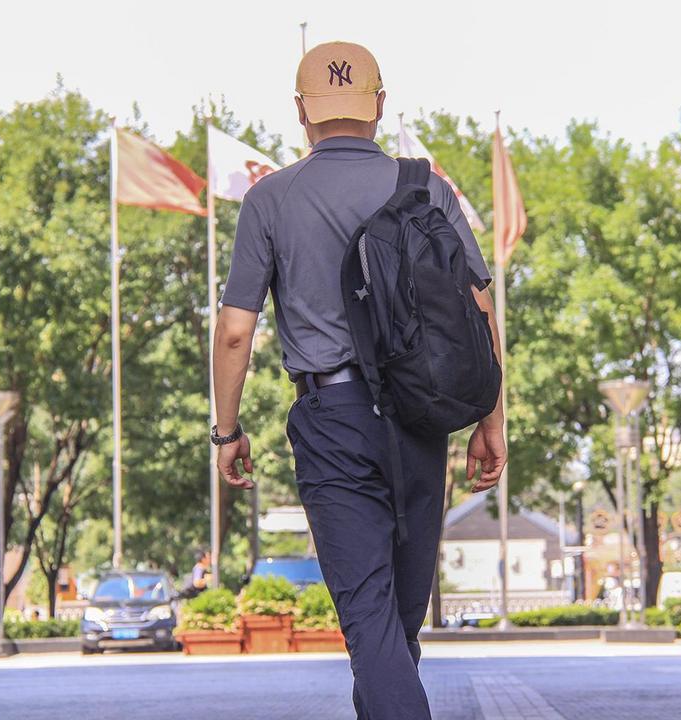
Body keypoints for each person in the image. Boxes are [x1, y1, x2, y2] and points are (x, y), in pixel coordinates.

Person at [211, 41, 506, 719]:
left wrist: (226, 431)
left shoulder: (271, 199)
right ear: (379, 104)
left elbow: (234, 331)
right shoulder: (424, 185)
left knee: (372, 625)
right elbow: (478, 311)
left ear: (299, 112)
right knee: (395, 630)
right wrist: (490, 422)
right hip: (422, 419)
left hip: (333, 417)